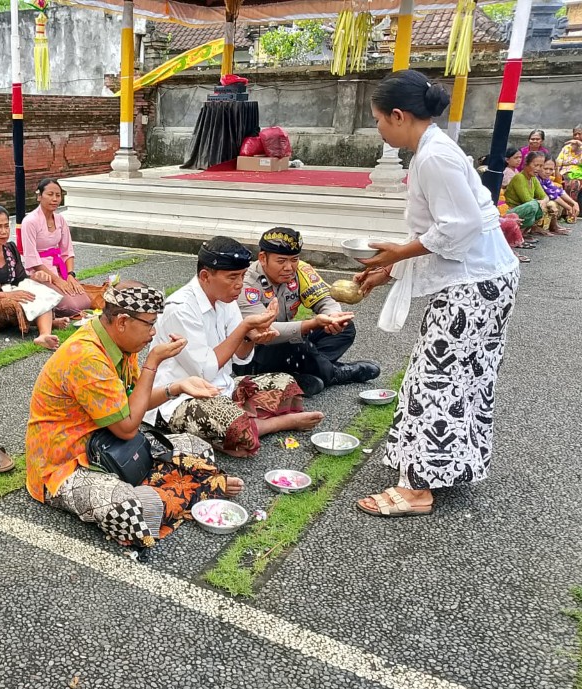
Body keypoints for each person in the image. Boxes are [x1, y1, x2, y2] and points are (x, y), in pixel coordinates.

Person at [355, 70, 519, 518]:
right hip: (483, 278)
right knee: (460, 376)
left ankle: (419, 489)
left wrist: (398, 252)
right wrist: (390, 269)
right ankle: (448, 464)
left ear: (398, 115)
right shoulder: (434, 149)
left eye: (378, 120)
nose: (379, 129)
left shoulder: (434, 157)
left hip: (475, 284)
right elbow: (438, 234)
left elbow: (457, 228)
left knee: (436, 379)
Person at [26, 283, 244, 550]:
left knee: (199, 449)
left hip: (111, 445)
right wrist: (153, 363)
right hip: (67, 464)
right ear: (122, 321)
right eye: (150, 325)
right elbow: (128, 427)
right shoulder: (86, 357)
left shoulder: (120, 342)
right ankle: (195, 488)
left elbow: (132, 404)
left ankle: (178, 491)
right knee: (127, 510)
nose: (153, 333)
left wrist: (176, 387)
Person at [143, 237, 325, 457]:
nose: (239, 284)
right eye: (232, 277)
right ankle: (277, 423)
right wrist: (244, 328)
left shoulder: (226, 299)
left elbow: (240, 358)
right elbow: (204, 371)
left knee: (286, 384)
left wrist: (252, 338)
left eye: (242, 276)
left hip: (223, 387)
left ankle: (248, 425)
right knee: (231, 424)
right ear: (205, 276)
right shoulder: (180, 308)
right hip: (178, 399)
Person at [235, 227, 381, 396]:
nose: (289, 267)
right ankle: (333, 373)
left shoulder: (300, 270)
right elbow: (266, 331)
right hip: (250, 354)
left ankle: (299, 374)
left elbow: (325, 299)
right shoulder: (246, 285)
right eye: (281, 261)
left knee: (345, 327)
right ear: (262, 258)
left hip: (287, 344)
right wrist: (311, 324)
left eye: (294, 259)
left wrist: (332, 317)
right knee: (298, 343)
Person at [0, 204, 60, 350]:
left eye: (6, 226)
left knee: (39, 291)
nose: (4, 232)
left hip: (11, 290)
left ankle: (44, 334)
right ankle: (44, 322)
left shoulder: (10, 248)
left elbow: (20, 279)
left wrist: (35, 277)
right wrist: (7, 295)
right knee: (14, 305)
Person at [21, 178, 92, 317]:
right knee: (71, 307)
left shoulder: (60, 219)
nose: (54, 199)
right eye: (50, 194)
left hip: (59, 268)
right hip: (39, 272)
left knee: (85, 302)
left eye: (58, 195)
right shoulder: (30, 222)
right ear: (39, 196)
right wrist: (57, 280)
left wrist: (70, 276)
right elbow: (32, 258)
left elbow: (67, 250)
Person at [505, 152, 562, 238]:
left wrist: (544, 202)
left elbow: (545, 196)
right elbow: (527, 200)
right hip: (511, 212)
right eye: (536, 165)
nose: (538, 169)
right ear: (526, 164)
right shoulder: (519, 177)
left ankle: (523, 233)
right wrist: (542, 203)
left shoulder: (533, 178)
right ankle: (516, 235)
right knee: (534, 205)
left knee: (542, 205)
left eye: (541, 166)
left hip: (524, 209)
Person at [538, 156, 578, 229]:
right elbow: (552, 194)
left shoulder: (545, 178)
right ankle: (539, 228)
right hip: (534, 202)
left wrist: (574, 203)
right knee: (552, 203)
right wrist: (569, 208)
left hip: (543, 199)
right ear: (539, 166)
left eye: (551, 169)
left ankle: (554, 226)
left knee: (557, 199)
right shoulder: (536, 178)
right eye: (545, 168)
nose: (548, 172)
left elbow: (558, 191)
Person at [555, 125, 582, 204]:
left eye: (579, 134)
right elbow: (558, 162)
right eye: (575, 134)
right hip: (564, 174)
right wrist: (557, 173)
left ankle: (572, 208)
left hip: (578, 175)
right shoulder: (566, 148)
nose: (576, 136)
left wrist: (580, 145)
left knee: (574, 183)